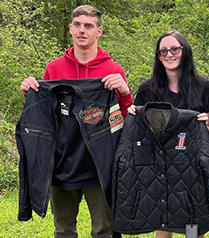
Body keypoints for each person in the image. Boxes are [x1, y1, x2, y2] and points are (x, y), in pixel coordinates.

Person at [19, 5, 132, 238]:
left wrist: (124, 92)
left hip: (99, 163)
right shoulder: (54, 68)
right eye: (78, 25)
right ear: (71, 28)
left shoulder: (112, 70)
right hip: (60, 160)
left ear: (99, 31)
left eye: (89, 26)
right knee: (63, 230)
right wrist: (30, 95)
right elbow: (45, 113)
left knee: (104, 230)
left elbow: (123, 119)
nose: (83, 30)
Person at [128, 30, 209, 238]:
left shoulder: (202, 86)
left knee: (193, 224)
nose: (169, 54)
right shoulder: (148, 89)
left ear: (184, 51)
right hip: (160, 167)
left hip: (192, 168)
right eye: (163, 51)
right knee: (163, 222)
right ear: (158, 56)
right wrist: (132, 114)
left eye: (175, 49)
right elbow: (139, 131)